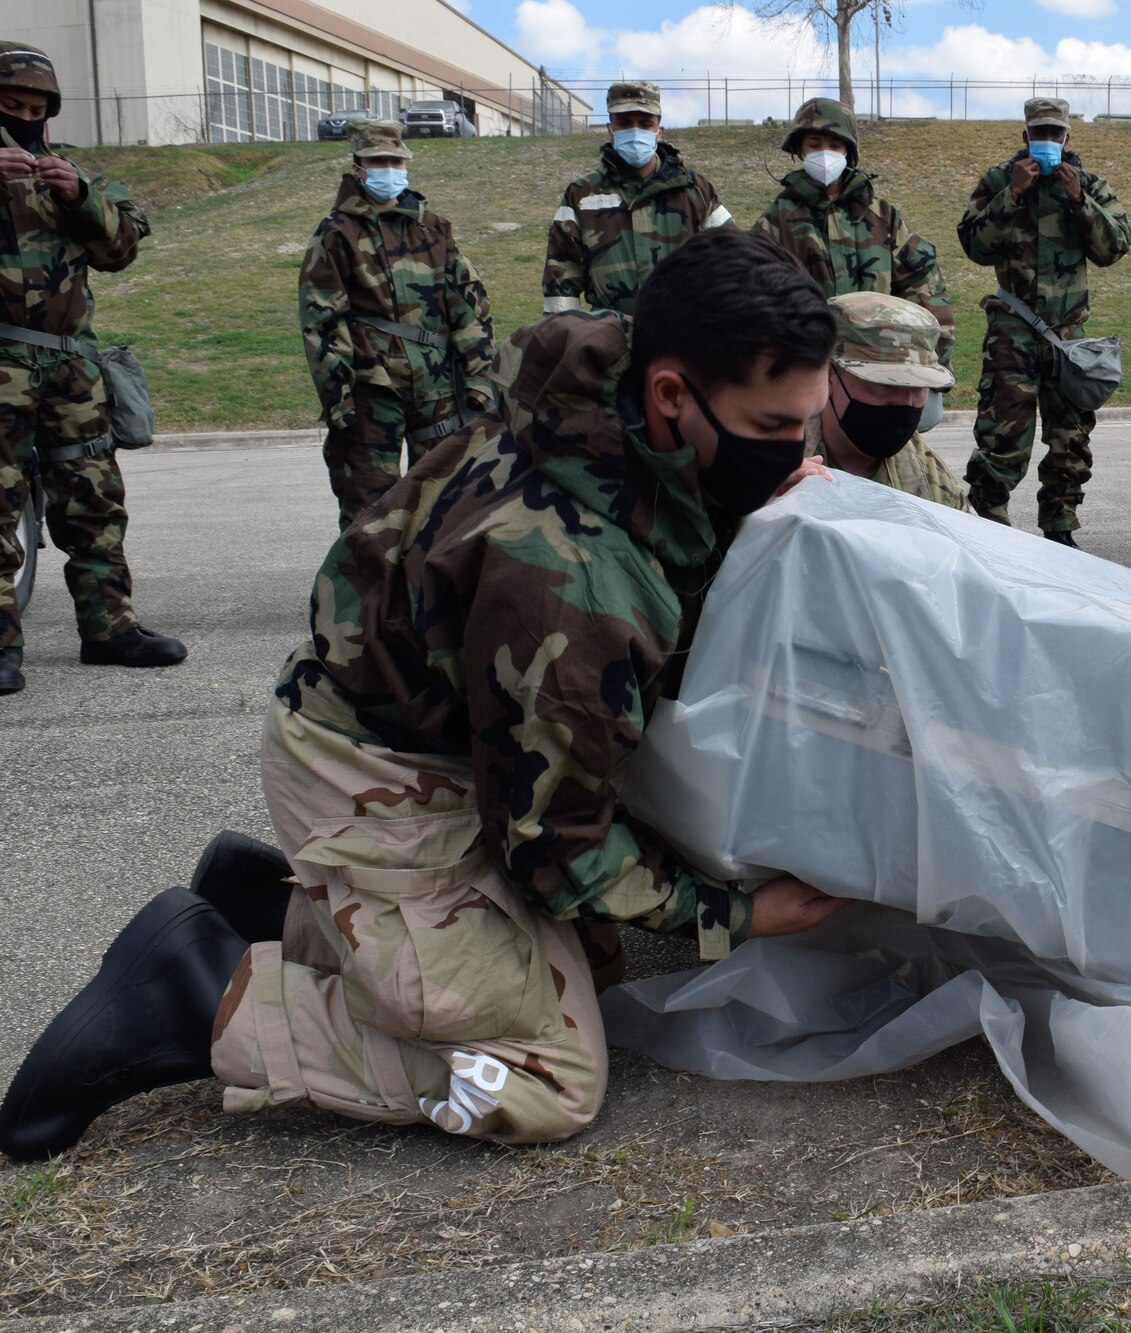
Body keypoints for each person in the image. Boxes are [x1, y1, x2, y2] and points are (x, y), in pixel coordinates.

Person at [0, 228, 850, 1161]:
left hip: (421, 738)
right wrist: (735, 917)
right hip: (381, 771)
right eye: (772, 429)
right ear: (672, 395)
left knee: (587, 966)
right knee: (551, 1067)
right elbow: (556, 852)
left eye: (804, 423)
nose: (794, 450)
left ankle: (280, 906)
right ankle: (196, 991)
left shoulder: (593, 412)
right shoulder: (575, 581)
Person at [0, 43, 185, 695]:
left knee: (94, 498)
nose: (25, 117)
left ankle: (110, 629)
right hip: (2, 363)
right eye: (10, 105)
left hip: (72, 366)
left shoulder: (68, 171)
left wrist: (78, 194)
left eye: (36, 107)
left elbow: (122, 246)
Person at [298, 119, 495, 529]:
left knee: (446, 502)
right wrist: (339, 399)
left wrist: (480, 378)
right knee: (369, 509)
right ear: (358, 166)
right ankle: (369, 593)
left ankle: (433, 592)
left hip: (438, 388)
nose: (388, 168)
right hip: (373, 389)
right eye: (377, 161)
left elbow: (466, 304)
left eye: (394, 160)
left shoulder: (433, 228)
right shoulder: (337, 233)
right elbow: (323, 321)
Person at [957, 98, 1131, 547]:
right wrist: (1011, 194)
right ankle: (991, 522)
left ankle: (1060, 527)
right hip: (1012, 329)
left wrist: (1080, 201)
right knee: (1003, 435)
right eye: (1040, 134)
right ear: (1025, 137)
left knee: (1070, 436)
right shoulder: (999, 181)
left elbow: (1114, 248)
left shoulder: (1089, 185)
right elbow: (975, 245)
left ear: (1068, 138)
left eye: (1055, 134)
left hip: (1068, 335)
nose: (1048, 142)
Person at [752, 97, 954, 382]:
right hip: (806, 370)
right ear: (799, 148)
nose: (825, 153)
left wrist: (939, 362)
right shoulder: (776, 220)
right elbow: (752, 297)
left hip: (883, 369)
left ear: (849, 150)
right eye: (814, 144)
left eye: (835, 145)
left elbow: (922, 286)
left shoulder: (883, 217)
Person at [542, 81, 731, 319]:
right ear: (610, 129)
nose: (634, 131)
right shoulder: (580, 195)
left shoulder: (695, 191)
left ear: (659, 131)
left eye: (644, 124)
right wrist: (564, 339)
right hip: (609, 344)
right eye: (624, 123)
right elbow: (560, 282)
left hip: (684, 342)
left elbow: (733, 259)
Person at [809, 292, 965, 509]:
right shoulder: (774, 463)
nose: (906, 402)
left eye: (919, 387)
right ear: (828, 376)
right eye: (888, 384)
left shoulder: (930, 480)